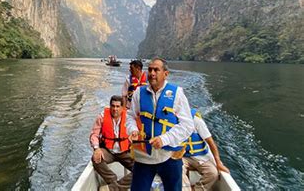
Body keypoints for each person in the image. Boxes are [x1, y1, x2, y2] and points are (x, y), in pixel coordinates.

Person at [127, 57, 194, 191]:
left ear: (165, 73)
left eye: (156, 70)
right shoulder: (138, 94)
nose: (152, 73)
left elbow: (187, 125)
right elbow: (130, 116)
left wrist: (164, 139)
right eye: (150, 69)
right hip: (144, 157)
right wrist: (132, 130)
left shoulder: (177, 94)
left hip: (170, 156)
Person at [90, 95, 134, 191]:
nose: (115, 109)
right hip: (108, 151)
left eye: (118, 106)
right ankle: (113, 180)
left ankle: (113, 188)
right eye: (113, 106)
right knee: (96, 158)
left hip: (125, 151)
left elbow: (136, 132)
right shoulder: (102, 116)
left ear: (122, 107)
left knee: (142, 169)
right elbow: (94, 135)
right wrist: (96, 148)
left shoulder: (129, 118)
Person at [182, 109, 230, 190]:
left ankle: (197, 189)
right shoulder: (171, 121)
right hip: (182, 157)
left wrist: (218, 163)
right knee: (177, 171)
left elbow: (211, 143)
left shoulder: (197, 121)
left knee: (213, 173)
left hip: (200, 156)